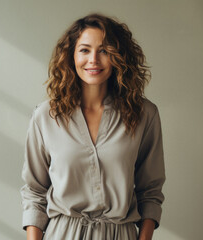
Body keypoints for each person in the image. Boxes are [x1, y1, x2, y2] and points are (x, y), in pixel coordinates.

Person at [20, 13, 165, 240]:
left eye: (104, 51)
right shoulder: (46, 116)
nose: (94, 60)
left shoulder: (144, 114)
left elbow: (150, 192)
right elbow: (34, 192)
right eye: (85, 50)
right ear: (71, 56)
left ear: (118, 57)